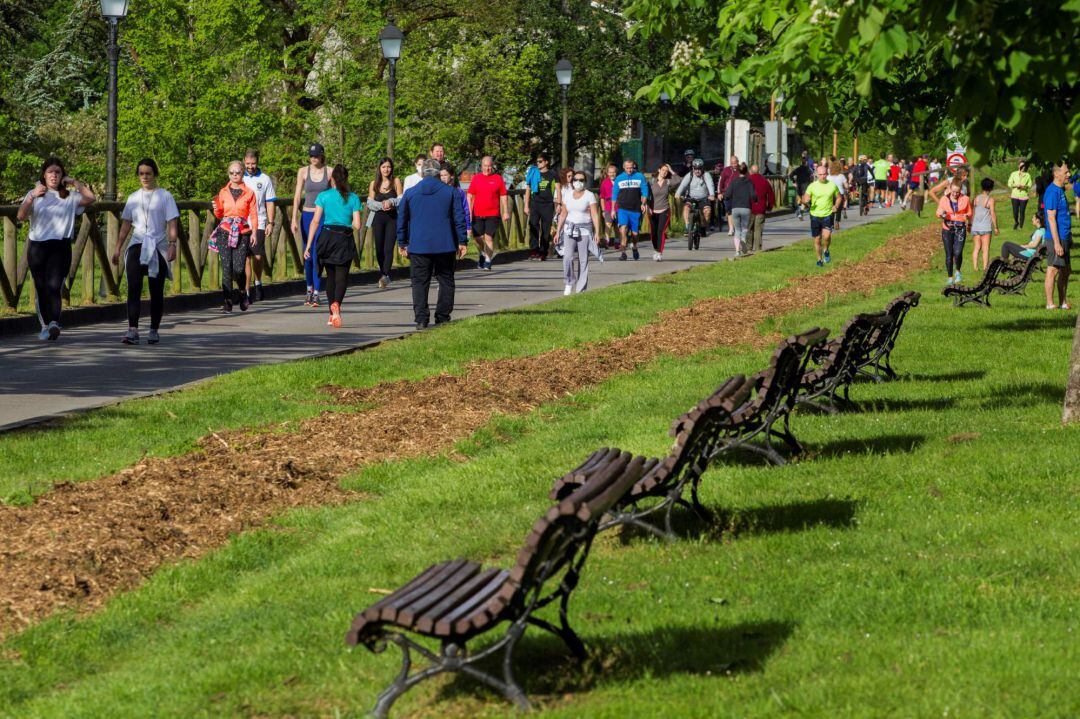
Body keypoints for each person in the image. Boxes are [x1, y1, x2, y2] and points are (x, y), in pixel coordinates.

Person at [16, 156, 95, 340]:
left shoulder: (70, 196)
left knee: (54, 286)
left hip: (60, 246)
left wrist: (75, 182)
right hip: (37, 246)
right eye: (50, 172)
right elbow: (20, 216)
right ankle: (45, 326)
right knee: (41, 287)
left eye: (58, 172)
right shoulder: (34, 194)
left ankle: (53, 323)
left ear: (62, 176)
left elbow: (91, 198)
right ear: (44, 174)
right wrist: (32, 196)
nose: (54, 175)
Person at [113, 159, 179, 345]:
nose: (145, 177)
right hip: (138, 242)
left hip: (157, 244)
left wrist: (172, 244)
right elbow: (126, 224)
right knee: (133, 287)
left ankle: (153, 329)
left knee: (155, 290)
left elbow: (172, 222)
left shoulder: (165, 196)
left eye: (148, 173)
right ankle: (132, 329)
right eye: (141, 173)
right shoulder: (134, 197)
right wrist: (118, 248)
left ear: (155, 174)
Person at [397, 158, 468, 329]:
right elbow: (459, 218)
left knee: (419, 281)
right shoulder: (451, 192)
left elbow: (402, 219)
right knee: (446, 280)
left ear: (422, 173)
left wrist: (402, 241)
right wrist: (462, 241)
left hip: (419, 244)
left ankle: (421, 318)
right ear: (438, 173)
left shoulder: (410, 193)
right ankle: (442, 315)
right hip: (445, 244)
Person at [304, 164, 360, 328]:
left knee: (330, 276)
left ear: (332, 179)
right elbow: (357, 225)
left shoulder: (323, 196)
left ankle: (331, 313)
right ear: (346, 179)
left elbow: (315, 221)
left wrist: (308, 245)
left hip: (327, 237)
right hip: (344, 238)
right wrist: (346, 219)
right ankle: (337, 305)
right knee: (342, 277)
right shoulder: (353, 198)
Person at [212, 161, 259, 312]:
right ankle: (227, 301)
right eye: (231, 173)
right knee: (226, 268)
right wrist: (216, 208)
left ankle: (243, 292)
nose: (234, 175)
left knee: (239, 269)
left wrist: (255, 232)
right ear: (228, 174)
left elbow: (253, 214)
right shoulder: (223, 192)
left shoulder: (249, 193)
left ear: (242, 173)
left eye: (237, 173)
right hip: (225, 230)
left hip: (242, 232)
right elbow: (219, 214)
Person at [291, 143, 329, 307]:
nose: (313, 158)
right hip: (306, 215)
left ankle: (316, 292)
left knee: (317, 253)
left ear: (322, 155)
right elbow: (297, 196)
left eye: (316, 155)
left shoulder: (330, 172)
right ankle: (308, 288)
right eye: (311, 156)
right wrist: (293, 218)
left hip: (322, 216)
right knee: (307, 254)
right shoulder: (303, 172)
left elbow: (336, 194)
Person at [554, 169, 601, 294]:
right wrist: (558, 231)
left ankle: (581, 288)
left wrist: (597, 232)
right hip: (569, 229)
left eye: (581, 180)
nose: (578, 182)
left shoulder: (589, 195)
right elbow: (563, 214)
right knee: (568, 258)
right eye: (576, 179)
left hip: (584, 230)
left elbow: (595, 215)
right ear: (572, 181)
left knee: (583, 259)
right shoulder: (568, 195)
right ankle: (569, 282)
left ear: (585, 182)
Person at [242, 149, 275, 303]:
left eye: (253, 163)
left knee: (257, 256)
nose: (250, 167)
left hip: (260, 221)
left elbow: (270, 202)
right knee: (245, 257)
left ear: (257, 162)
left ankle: (258, 281)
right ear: (244, 162)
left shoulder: (265, 179)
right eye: (248, 164)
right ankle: (247, 291)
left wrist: (270, 222)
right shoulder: (239, 178)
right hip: (242, 223)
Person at [466, 155, 509, 271]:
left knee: (489, 238)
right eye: (485, 166)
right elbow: (469, 195)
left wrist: (505, 212)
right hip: (477, 213)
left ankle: (488, 260)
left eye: (490, 166)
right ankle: (482, 253)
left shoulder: (498, 178)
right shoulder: (476, 178)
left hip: (493, 214)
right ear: (482, 166)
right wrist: (469, 212)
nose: (488, 168)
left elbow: (504, 196)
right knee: (478, 238)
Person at [367, 157, 403, 289]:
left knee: (389, 248)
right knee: (379, 248)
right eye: (383, 167)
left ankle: (386, 275)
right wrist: (381, 205)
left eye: (388, 167)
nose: (386, 169)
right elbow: (370, 203)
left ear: (391, 168)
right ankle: (382, 272)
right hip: (378, 218)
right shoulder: (373, 184)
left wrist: (391, 202)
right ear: (379, 168)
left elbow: (401, 199)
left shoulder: (396, 181)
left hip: (392, 218)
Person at [1043, 160, 1072, 310]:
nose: (1069, 174)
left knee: (1066, 270)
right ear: (1056, 173)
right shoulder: (1052, 192)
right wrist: (1056, 243)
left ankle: (1062, 302)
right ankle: (1050, 304)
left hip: (1065, 236)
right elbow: (1051, 218)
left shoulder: (1060, 190)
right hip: (1056, 237)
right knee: (1053, 269)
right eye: (1066, 172)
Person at [802, 164, 841, 267]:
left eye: (824, 174)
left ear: (827, 174)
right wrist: (806, 201)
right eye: (820, 175)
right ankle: (819, 260)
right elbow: (805, 197)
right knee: (817, 239)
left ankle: (826, 250)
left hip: (827, 214)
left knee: (827, 236)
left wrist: (836, 206)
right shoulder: (812, 186)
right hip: (814, 215)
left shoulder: (832, 185)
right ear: (817, 175)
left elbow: (839, 197)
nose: (822, 176)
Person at [523, 153, 560, 261]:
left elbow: (558, 189)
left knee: (546, 229)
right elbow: (528, 189)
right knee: (533, 225)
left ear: (546, 162)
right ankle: (534, 250)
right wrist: (526, 205)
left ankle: (543, 251)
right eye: (537, 162)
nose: (538, 164)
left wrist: (559, 204)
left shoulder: (553, 174)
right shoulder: (533, 172)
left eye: (540, 161)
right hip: (535, 203)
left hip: (548, 204)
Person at [936, 180, 973, 285]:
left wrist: (967, 216)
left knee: (958, 252)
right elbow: (938, 212)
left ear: (960, 190)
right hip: (947, 229)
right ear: (950, 189)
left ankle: (958, 271)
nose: (955, 194)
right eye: (953, 192)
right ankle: (950, 277)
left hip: (960, 228)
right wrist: (942, 214)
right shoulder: (944, 199)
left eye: (957, 192)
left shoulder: (965, 199)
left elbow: (970, 212)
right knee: (949, 254)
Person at [613, 159, 649, 261]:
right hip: (623, 209)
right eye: (627, 168)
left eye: (631, 167)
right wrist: (612, 209)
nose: (629, 170)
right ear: (624, 168)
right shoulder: (619, 178)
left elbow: (645, 191)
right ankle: (623, 252)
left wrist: (643, 203)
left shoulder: (640, 176)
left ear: (634, 167)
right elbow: (614, 194)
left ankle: (634, 246)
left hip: (635, 209)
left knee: (635, 234)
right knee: (623, 229)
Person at [676, 158, 715, 248]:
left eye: (699, 168)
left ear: (702, 168)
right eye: (695, 168)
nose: (697, 170)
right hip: (691, 198)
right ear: (692, 168)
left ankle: (703, 227)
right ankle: (687, 226)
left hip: (703, 198)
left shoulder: (706, 175)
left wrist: (712, 195)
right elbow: (682, 185)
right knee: (686, 207)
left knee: (707, 211)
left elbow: (710, 185)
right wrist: (678, 194)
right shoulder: (689, 175)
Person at [723, 162, 757, 256]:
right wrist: (755, 200)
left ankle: (737, 251)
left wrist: (725, 197)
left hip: (735, 208)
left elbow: (727, 194)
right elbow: (753, 195)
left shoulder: (734, 181)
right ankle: (743, 240)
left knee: (737, 229)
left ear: (738, 171)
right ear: (747, 172)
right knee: (745, 228)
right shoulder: (749, 181)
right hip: (746, 208)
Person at [969, 178, 999, 273]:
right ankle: (985, 268)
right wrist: (996, 227)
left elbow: (972, 212)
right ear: (991, 188)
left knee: (976, 247)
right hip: (985, 227)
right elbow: (992, 214)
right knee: (985, 249)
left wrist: (970, 224)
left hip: (975, 227)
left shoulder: (976, 199)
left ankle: (975, 268)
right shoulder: (990, 200)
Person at [648, 163, 675, 260]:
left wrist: (671, 169)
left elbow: (679, 180)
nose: (664, 172)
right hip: (652, 211)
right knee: (654, 232)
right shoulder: (651, 182)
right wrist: (647, 207)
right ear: (659, 170)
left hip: (664, 209)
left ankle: (659, 252)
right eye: (663, 170)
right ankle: (655, 249)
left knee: (661, 231)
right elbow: (646, 195)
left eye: (666, 171)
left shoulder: (668, 182)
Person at [747, 164, 775, 254]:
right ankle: (758, 248)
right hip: (761, 208)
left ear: (750, 171)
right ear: (759, 171)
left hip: (749, 208)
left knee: (749, 228)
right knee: (758, 229)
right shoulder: (764, 181)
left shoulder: (747, 181)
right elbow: (771, 195)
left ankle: (748, 247)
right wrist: (770, 206)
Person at [439, 162, 471, 239]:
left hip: (457, 225)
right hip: (442, 226)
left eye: (445, 175)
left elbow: (465, 209)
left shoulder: (459, 192)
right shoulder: (437, 191)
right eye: (441, 175)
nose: (443, 178)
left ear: (452, 176)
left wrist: (468, 227)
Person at [1007, 160, 1033, 230]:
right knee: (1015, 211)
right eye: (1021, 166)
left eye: (1023, 166)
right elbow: (1009, 184)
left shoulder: (1027, 175)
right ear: (1018, 166)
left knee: (1022, 211)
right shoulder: (1013, 174)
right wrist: (1016, 185)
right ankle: (1016, 222)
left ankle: (1021, 226)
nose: (1022, 167)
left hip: (1024, 196)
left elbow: (1030, 185)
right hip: (1014, 195)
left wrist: (1024, 186)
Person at [718, 155, 739, 236]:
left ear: (738, 162)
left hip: (738, 194)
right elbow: (721, 182)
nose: (734, 165)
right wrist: (719, 193)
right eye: (732, 163)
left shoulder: (741, 170)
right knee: (729, 211)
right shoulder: (726, 170)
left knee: (736, 211)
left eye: (735, 163)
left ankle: (736, 227)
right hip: (727, 193)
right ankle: (731, 228)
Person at [598, 163, 617, 248]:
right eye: (610, 172)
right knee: (608, 224)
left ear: (616, 173)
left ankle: (617, 241)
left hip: (618, 206)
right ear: (607, 173)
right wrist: (603, 210)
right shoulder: (604, 183)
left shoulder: (619, 181)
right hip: (608, 206)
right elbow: (602, 197)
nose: (612, 174)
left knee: (618, 225)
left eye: (613, 172)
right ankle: (607, 241)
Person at [826, 161, 848, 230]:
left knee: (832, 208)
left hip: (830, 194)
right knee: (838, 209)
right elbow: (846, 186)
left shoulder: (828, 177)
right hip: (840, 194)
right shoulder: (841, 176)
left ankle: (831, 223)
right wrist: (847, 187)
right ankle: (837, 221)